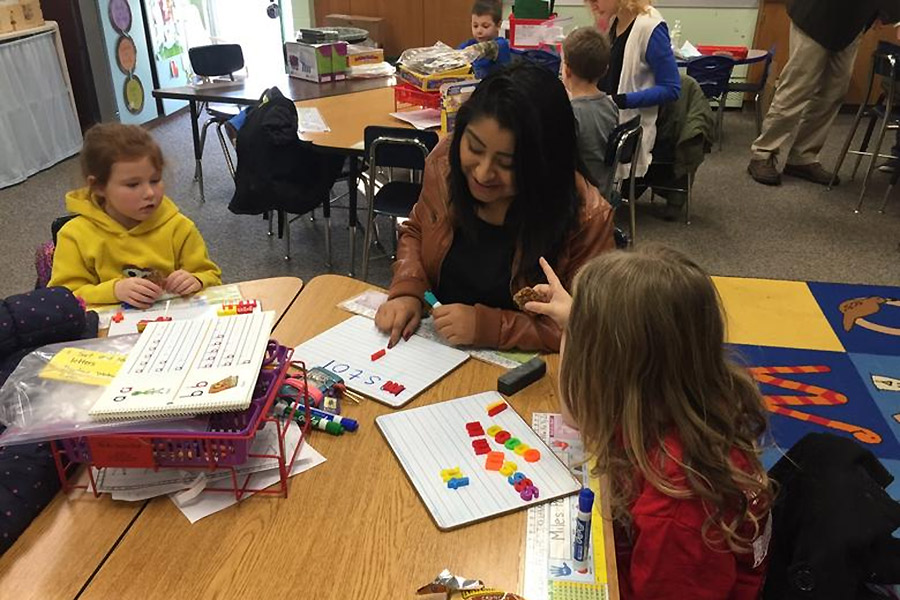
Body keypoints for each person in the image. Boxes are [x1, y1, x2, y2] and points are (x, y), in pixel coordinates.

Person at [525, 246, 774, 599]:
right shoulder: (680, 396)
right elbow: (576, 415)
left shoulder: (677, 511)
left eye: (583, 345)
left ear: (615, 372)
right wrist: (574, 324)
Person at [374, 63, 616, 353]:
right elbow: (416, 229)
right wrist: (409, 289)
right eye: (474, 148)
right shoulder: (445, 164)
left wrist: (489, 327)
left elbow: (589, 327)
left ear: (544, 164)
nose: (483, 173)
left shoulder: (587, 215)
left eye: (507, 163)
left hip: (524, 373)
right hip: (438, 351)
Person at [49, 124, 221, 307]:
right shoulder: (74, 235)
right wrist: (114, 291)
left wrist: (197, 280)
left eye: (155, 180)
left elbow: (211, 276)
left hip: (172, 327)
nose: (149, 193)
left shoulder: (179, 227)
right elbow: (62, 299)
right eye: (133, 185)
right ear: (98, 187)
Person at [748, 1, 900, 186]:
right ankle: (763, 153)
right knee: (797, 88)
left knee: (833, 92)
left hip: (852, 23)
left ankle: (802, 158)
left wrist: (887, 14)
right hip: (816, 15)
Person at [585, 0, 680, 178]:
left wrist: (623, 100)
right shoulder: (613, 22)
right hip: (608, 116)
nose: (591, 5)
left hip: (630, 128)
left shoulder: (650, 26)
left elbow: (671, 89)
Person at [562, 27, 619, 199]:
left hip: (580, 195)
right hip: (604, 188)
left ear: (567, 70)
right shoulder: (610, 106)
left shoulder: (572, 113)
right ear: (605, 70)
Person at [458, 0, 511, 79]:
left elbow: (487, 48)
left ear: (498, 25)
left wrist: (468, 52)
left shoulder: (501, 45)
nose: (479, 31)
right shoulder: (470, 44)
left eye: (485, 26)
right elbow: (456, 56)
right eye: (475, 26)